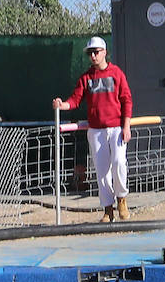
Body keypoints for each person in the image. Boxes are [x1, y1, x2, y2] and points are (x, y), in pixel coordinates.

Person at [53, 35, 134, 223]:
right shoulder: (86, 78)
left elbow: (126, 100)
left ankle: (121, 198)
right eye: (90, 53)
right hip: (96, 130)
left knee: (119, 162)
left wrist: (126, 125)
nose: (93, 56)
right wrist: (62, 104)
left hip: (116, 128)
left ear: (105, 52)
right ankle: (108, 209)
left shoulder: (117, 73)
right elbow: (75, 100)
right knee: (102, 170)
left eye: (96, 52)